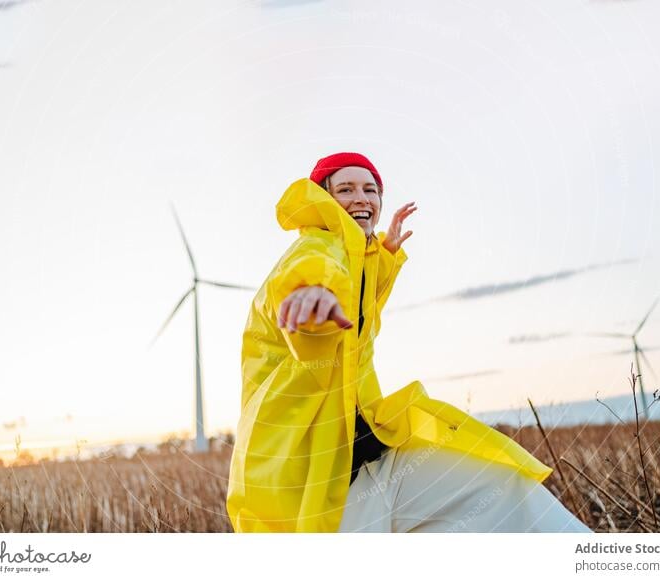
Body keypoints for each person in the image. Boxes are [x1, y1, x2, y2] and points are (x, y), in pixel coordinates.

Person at [226, 152, 592, 533]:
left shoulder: (357, 259)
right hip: (313, 481)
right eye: (346, 189)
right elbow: (314, 276)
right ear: (323, 199)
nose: (361, 198)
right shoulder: (315, 249)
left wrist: (384, 255)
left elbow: (360, 305)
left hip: (374, 462)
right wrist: (313, 296)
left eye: (371, 190)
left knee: (502, 489)